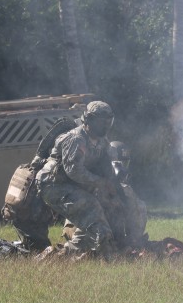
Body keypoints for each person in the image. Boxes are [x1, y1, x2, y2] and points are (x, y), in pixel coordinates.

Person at [36, 101, 125, 258]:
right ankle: (106, 254)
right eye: (101, 121)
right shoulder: (76, 139)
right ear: (89, 120)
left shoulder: (101, 141)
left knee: (110, 206)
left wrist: (112, 187)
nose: (105, 126)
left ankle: (73, 252)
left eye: (108, 121)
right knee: (91, 207)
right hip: (54, 185)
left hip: (75, 185)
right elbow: (74, 171)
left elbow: (106, 167)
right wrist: (101, 183)